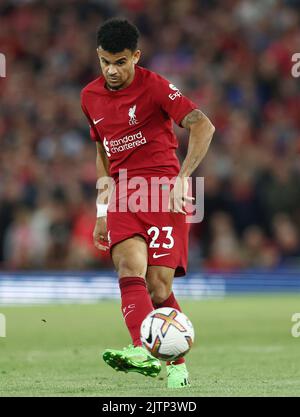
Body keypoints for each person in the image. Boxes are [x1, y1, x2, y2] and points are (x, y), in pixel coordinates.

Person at [81, 18, 215, 389]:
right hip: (124, 192)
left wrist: (183, 177)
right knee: (128, 267)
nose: (112, 70)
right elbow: (102, 152)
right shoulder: (89, 96)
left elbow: (203, 124)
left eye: (121, 61)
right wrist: (101, 211)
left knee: (158, 288)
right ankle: (142, 348)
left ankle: (176, 363)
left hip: (163, 191)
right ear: (98, 56)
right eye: (105, 61)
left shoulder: (154, 86)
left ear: (136, 57)